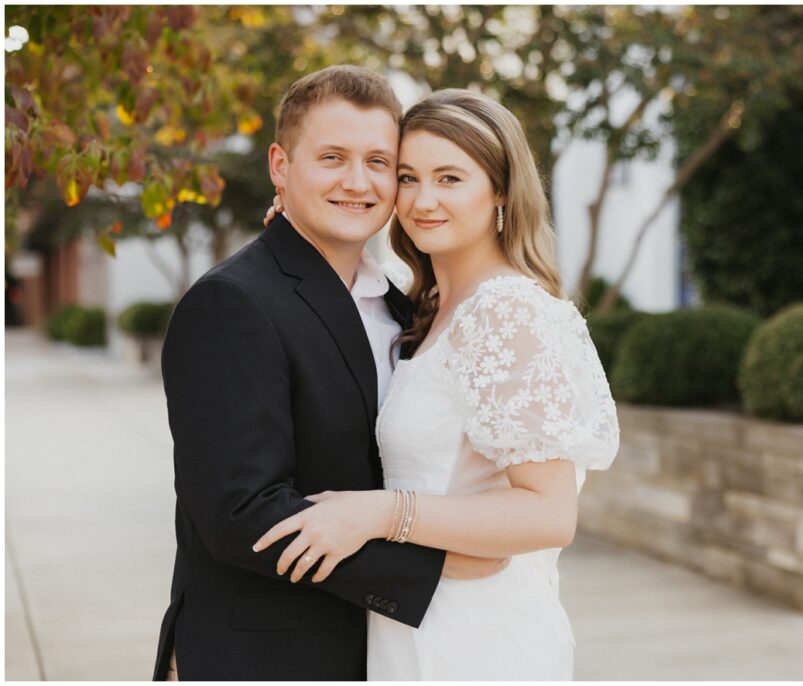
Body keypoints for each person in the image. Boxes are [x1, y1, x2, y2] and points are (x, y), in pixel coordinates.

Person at [153, 66, 507, 682]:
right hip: (268, 655)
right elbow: (239, 514)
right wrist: (436, 561)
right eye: (332, 157)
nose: (357, 182)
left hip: (390, 649)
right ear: (280, 167)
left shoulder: (403, 304)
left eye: (378, 162)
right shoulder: (232, 303)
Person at [256, 89, 619, 680]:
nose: (423, 200)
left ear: (499, 191)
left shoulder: (506, 312)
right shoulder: (424, 309)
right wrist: (297, 229)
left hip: (476, 638)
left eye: (450, 178)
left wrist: (379, 514)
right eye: (407, 176)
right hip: (409, 621)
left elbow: (549, 515)